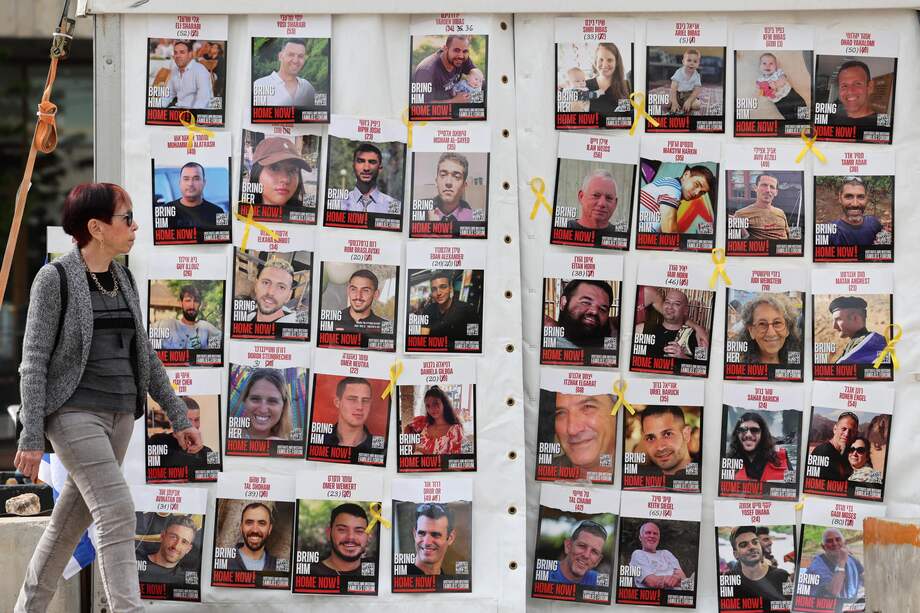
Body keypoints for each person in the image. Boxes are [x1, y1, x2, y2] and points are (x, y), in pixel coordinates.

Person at [14, 182, 203, 612]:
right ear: (97, 227)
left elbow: (145, 354)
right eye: (126, 218)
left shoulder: (123, 277)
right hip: (73, 415)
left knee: (66, 527)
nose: (135, 226)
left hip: (120, 417)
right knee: (117, 511)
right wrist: (30, 436)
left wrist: (178, 415)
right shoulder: (55, 278)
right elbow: (34, 360)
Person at [553, 392, 616, 476]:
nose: (572, 430)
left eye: (587, 407)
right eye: (561, 413)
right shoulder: (537, 475)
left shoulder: (637, 480)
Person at [634, 288, 707, 360]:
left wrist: (683, 357)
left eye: (676, 304)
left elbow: (703, 367)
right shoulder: (641, 330)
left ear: (685, 310)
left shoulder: (697, 337)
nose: (670, 307)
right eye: (667, 302)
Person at [639, 165, 715, 234]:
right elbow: (670, 233)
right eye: (696, 184)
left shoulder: (670, 186)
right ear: (686, 175)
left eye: (702, 192)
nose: (696, 193)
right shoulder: (673, 188)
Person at [728, 526, 790, 609]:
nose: (752, 547)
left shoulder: (783, 576)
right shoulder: (729, 580)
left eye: (755, 542)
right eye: (743, 545)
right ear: (735, 554)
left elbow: (791, 606)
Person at [544, 279, 618, 350]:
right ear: (563, 303)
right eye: (586, 302)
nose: (594, 311)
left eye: (602, 309)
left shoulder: (613, 342)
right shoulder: (544, 337)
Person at [147, 397, 214, 468]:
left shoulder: (207, 451)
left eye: (196, 420)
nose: (193, 425)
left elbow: (217, 471)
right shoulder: (158, 441)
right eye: (188, 420)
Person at [151, 284, 221, 350]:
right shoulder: (167, 325)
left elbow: (217, 351)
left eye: (196, 301)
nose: (192, 306)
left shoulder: (206, 328)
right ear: (181, 303)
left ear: (200, 304)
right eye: (188, 300)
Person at [735, 294, 801, 365]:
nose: (771, 333)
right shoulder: (739, 368)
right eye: (762, 324)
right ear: (751, 331)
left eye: (777, 323)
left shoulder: (799, 363)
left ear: (787, 328)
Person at [412, 35, 478, 103]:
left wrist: (477, 79)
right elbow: (421, 103)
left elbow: (475, 72)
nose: (461, 56)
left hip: (457, 96)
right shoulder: (426, 71)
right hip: (438, 109)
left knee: (480, 99)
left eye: (465, 51)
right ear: (445, 49)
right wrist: (454, 101)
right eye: (456, 50)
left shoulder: (461, 59)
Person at [252, 38, 316, 108]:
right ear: (280, 56)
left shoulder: (308, 87)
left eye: (300, 56)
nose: (295, 60)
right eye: (291, 55)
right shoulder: (260, 85)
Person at [727, 412, 790, 481]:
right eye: (742, 430)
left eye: (754, 430)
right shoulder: (727, 461)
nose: (748, 434)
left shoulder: (781, 458)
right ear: (737, 434)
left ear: (763, 434)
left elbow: (792, 486)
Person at [249, 136, 310, 209]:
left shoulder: (306, 213)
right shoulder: (240, 212)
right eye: (274, 168)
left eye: (293, 170)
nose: (286, 179)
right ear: (257, 172)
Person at [804, 528, 864, 600]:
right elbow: (832, 593)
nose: (835, 543)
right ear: (823, 547)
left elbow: (863, 578)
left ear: (844, 543)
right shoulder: (816, 567)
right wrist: (841, 562)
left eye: (838, 539)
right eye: (829, 541)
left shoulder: (852, 559)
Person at [403, 386, 465, 455]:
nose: (432, 409)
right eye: (428, 406)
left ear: (444, 404)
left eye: (435, 404)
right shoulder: (423, 422)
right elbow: (408, 427)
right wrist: (410, 447)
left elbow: (453, 461)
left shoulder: (455, 429)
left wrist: (423, 451)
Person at [138, 515, 199, 584]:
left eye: (184, 542)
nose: (176, 546)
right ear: (162, 536)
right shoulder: (134, 563)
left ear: (188, 549)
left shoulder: (188, 579)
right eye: (173, 537)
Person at [312, 503, 370, 576]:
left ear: (368, 536)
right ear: (329, 533)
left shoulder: (376, 568)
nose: (350, 537)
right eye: (342, 530)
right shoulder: (312, 572)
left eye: (359, 531)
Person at [320, 377, 376, 452]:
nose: (360, 407)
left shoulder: (379, 448)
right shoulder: (319, 440)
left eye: (365, 400)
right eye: (352, 399)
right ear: (337, 402)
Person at [638, 406, 694, 480]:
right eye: (651, 438)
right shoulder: (642, 480)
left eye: (668, 434)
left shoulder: (704, 477)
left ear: (686, 434)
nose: (660, 447)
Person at [419, 271, 478, 341]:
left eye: (443, 287)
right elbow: (423, 340)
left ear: (451, 288)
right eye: (434, 289)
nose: (438, 293)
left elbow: (474, 340)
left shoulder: (467, 310)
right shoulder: (428, 310)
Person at [340, 143, 399, 214]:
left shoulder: (393, 205)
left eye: (372, 162)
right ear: (353, 166)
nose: (366, 168)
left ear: (380, 168)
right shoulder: (339, 203)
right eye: (361, 161)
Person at [828, 296, 887, 365]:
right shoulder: (855, 343)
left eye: (838, 319)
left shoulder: (871, 343)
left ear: (855, 318)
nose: (834, 326)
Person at [167, 162, 226, 231]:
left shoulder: (219, 212)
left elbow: (225, 239)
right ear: (180, 183)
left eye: (196, 178)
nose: (190, 184)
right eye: (186, 179)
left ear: (204, 183)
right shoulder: (165, 211)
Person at [236, 369, 292, 440]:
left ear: (283, 406)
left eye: (272, 401)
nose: (263, 410)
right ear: (245, 401)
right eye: (255, 399)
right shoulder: (226, 436)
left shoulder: (294, 442)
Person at [828, 177, 885, 247]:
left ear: (866, 198)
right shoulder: (829, 233)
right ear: (840, 198)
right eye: (849, 197)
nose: (855, 204)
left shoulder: (874, 223)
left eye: (861, 197)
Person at [730, 174, 790, 240]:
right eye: (764, 185)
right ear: (755, 188)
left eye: (772, 187)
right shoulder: (740, 214)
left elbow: (788, 236)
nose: (768, 190)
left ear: (776, 192)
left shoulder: (781, 213)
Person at [156, 40, 213, 109]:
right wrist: (156, 107)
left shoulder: (200, 70)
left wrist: (192, 115)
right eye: (175, 53)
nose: (178, 56)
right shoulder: (175, 71)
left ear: (190, 54)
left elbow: (203, 100)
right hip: (179, 109)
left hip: (196, 113)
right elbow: (168, 94)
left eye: (182, 52)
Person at [547, 521, 607, 586]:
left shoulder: (602, 580)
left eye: (594, 552)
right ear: (568, 546)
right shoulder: (542, 573)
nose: (586, 555)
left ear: (598, 560)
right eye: (582, 546)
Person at [629, 522, 687, 589]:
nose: (652, 536)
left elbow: (684, 579)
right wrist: (676, 579)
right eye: (648, 533)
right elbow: (652, 582)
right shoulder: (638, 554)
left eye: (655, 534)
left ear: (659, 538)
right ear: (640, 537)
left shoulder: (666, 553)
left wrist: (676, 579)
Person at [244, 258, 301, 324]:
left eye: (281, 287)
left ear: (288, 296)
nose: (270, 292)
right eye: (266, 283)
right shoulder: (246, 316)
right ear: (256, 285)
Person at [566, 170, 620, 237]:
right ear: (581, 196)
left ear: (615, 203)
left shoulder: (622, 236)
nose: (602, 203)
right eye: (596, 195)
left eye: (609, 198)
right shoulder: (562, 229)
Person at [407, 503, 457, 575]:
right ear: (415, 534)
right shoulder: (398, 577)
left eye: (435, 535)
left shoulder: (446, 581)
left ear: (450, 538)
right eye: (421, 533)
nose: (427, 542)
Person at [228, 502, 278, 572]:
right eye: (249, 523)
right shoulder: (226, 561)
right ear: (241, 527)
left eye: (261, 523)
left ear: (269, 529)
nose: (255, 530)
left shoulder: (278, 566)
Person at [754, 52, 807, 119]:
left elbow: (783, 79)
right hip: (779, 102)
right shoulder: (760, 80)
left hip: (789, 94)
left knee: (801, 103)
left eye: (771, 63)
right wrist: (763, 92)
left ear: (776, 66)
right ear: (760, 66)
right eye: (764, 63)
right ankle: (795, 123)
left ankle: (804, 120)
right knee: (787, 115)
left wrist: (775, 84)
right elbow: (760, 91)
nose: (768, 66)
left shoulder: (778, 72)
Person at [427, 152, 475, 222]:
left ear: (464, 186)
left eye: (456, 177)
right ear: (436, 181)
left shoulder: (473, 218)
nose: (448, 182)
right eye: (443, 175)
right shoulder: (422, 213)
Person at [585, 43, 630, 118]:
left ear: (616, 63)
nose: (605, 64)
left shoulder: (627, 86)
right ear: (596, 61)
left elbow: (628, 117)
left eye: (610, 60)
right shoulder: (584, 86)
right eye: (601, 59)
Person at [810, 412, 859, 481]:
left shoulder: (845, 452)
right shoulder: (823, 452)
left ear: (855, 434)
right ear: (835, 429)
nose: (847, 434)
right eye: (843, 429)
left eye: (851, 431)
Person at [830, 61, 878, 126]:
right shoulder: (831, 119)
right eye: (844, 86)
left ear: (870, 87)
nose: (850, 91)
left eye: (857, 84)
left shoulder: (883, 123)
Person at [669, 48, 702, 115]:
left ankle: (685, 105)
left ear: (698, 64)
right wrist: (674, 102)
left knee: (697, 105)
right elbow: (673, 88)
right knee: (667, 103)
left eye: (695, 61)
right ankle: (676, 104)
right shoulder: (679, 72)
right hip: (677, 94)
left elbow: (696, 90)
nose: (692, 63)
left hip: (688, 95)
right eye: (689, 60)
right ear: (683, 62)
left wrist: (689, 101)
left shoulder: (697, 75)